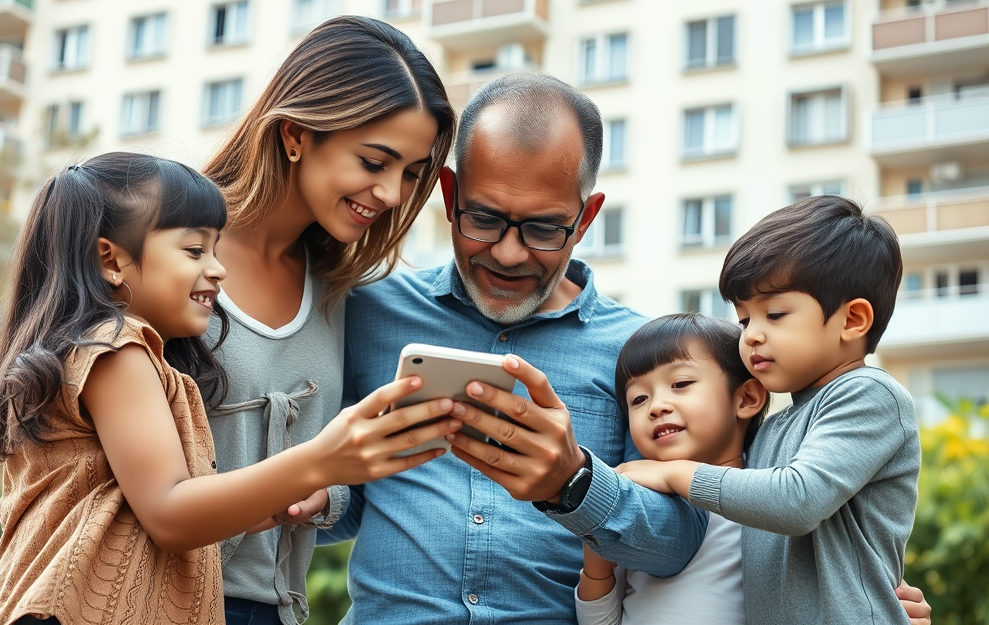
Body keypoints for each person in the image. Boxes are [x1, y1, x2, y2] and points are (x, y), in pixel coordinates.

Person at [324, 72, 933, 625]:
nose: (508, 252)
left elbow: (682, 544)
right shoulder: (370, 311)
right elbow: (352, 504)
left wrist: (574, 483)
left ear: (586, 218)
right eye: (483, 218)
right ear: (449, 193)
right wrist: (322, 495)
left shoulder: (645, 361)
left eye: (541, 228)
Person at [0, 152, 459, 625]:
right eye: (194, 249)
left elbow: (158, 514)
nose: (218, 267)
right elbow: (171, 516)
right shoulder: (118, 351)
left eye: (217, 248)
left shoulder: (102, 353)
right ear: (110, 259)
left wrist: (299, 494)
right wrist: (321, 460)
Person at [200, 15, 458, 624]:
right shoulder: (172, 248)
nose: (393, 193)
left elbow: (318, 476)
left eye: (412, 173)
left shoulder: (338, 291)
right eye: (374, 162)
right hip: (152, 602)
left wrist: (326, 494)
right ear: (295, 134)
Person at [618, 195, 921, 625]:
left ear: (852, 320)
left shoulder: (869, 395)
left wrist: (673, 473)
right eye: (744, 320)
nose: (752, 336)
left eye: (774, 314)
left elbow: (796, 500)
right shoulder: (777, 426)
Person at [576, 313, 768, 624]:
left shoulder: (767, 494)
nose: (656, 406)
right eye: (638, 398)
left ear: (747, 398)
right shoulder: (637, 505)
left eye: (680, 383)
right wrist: (597, 568)